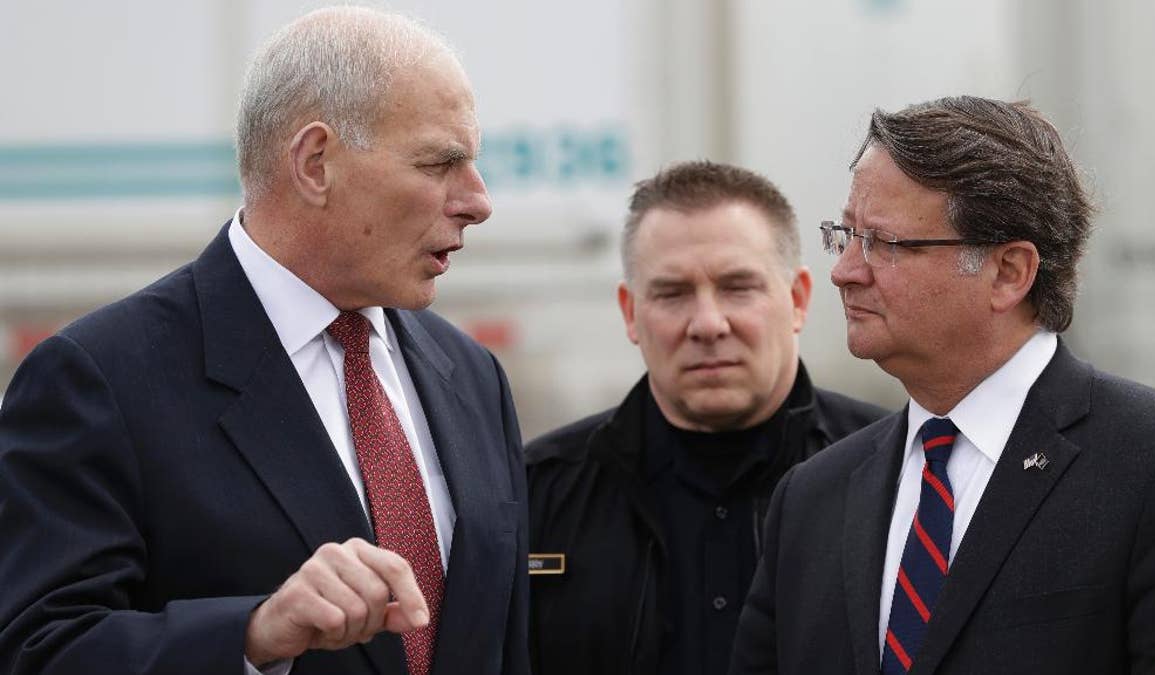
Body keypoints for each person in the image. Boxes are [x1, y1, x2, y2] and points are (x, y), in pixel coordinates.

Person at [0, 7, 528, 675]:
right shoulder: (101, 379)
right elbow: (39, 650)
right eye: (439, 163)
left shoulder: (472, 374)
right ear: (315, 163)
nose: (478, 200)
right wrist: (253, 635)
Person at [730, 96, 1155, 674]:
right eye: (845, 235)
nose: (845, 270)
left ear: (1009, 272)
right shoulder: (812, 497)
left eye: (885, 243)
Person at [525, 161, 887, 675]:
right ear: (630, 313)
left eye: (738, 287)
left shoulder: (897, 477)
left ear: (798, 299)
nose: (708, 324)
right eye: (672, 294)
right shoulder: (536, 496)